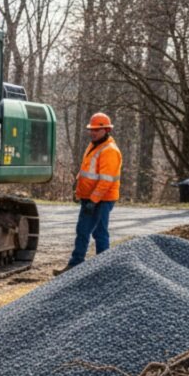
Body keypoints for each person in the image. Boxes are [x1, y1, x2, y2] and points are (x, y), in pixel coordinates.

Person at [56, 112, 122, 274]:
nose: (92, 132)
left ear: (106, 130)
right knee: (88, 231)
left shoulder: (109, 151)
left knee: (94, 232)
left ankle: (91, 266)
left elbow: (106, 180)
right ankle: (86, 265)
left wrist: (93, 200)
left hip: (102, 199)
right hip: (90, 198)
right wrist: (77, 189)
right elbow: (86, 170)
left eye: (96, 130)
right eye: (91, 130)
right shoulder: (94, 145)